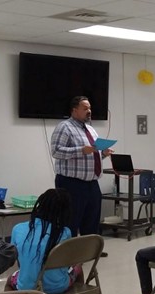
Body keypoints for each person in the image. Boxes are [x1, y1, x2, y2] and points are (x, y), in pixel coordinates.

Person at [4, 188, 88, 294]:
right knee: (78, 268)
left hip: (27, 286)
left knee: (10, 281)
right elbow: (68, 261)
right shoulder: (65, 232)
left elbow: (18, 261)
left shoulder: (18, 229)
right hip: (58, 286)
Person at [50, 95, 112, 255]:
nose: (89, 111)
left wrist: (103, 153)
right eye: (85, 108)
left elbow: (92, 154)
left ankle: (90, 249)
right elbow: (56, 151)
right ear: (74, 110)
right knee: (71, 219)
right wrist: (80, 150)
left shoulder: (90, 129)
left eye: (89, 108)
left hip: (91, 183)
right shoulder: (64, 127)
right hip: (71, 183)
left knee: (92, 218)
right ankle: (68, 252)